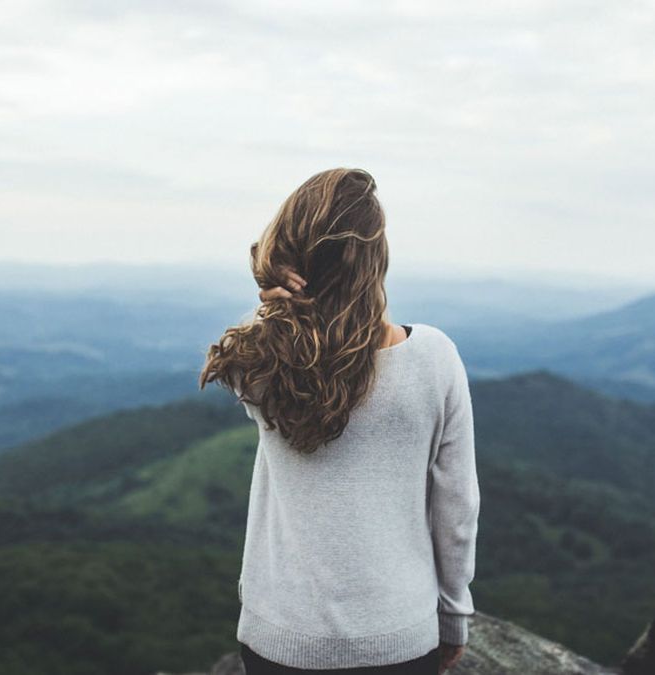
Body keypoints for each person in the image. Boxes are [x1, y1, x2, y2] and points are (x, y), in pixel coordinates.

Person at [199, 168, 480, 674]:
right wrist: (454, 615)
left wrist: (269, 297)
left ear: (286, 257)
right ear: (376, 259)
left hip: (278, 639)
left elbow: (262, 347)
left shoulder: (260, 363)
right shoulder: (434, 359)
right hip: (398, 641)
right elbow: (456, 508)